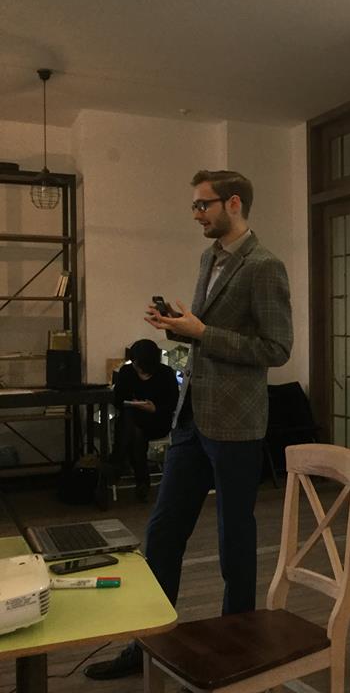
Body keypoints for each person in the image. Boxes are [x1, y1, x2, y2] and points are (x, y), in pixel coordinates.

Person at [85, 169, 293, 680]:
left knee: (234, 543)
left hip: (237, 424)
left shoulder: (265, 266)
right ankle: (145, 645)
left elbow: (277, 348)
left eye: (204, 205)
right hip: (191, 418)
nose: (196, 214)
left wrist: (202, 331)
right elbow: (207, 335)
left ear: (234, 204)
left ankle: (236, 650)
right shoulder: (209, 259)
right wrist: (180, 327)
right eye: (195, 206)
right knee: (162, 532)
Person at [109, 339, 179, 501]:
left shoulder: (165, 373)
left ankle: (117, 463)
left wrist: (155, 408)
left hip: (158, 420)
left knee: (131, 428)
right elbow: (118, 400)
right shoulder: (127, 372)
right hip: (133, 421)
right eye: (134, 362)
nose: (135, 365)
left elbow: (173, 402)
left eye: (138, 363)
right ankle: (142, 482)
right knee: (135, 430)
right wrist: (132, 403)